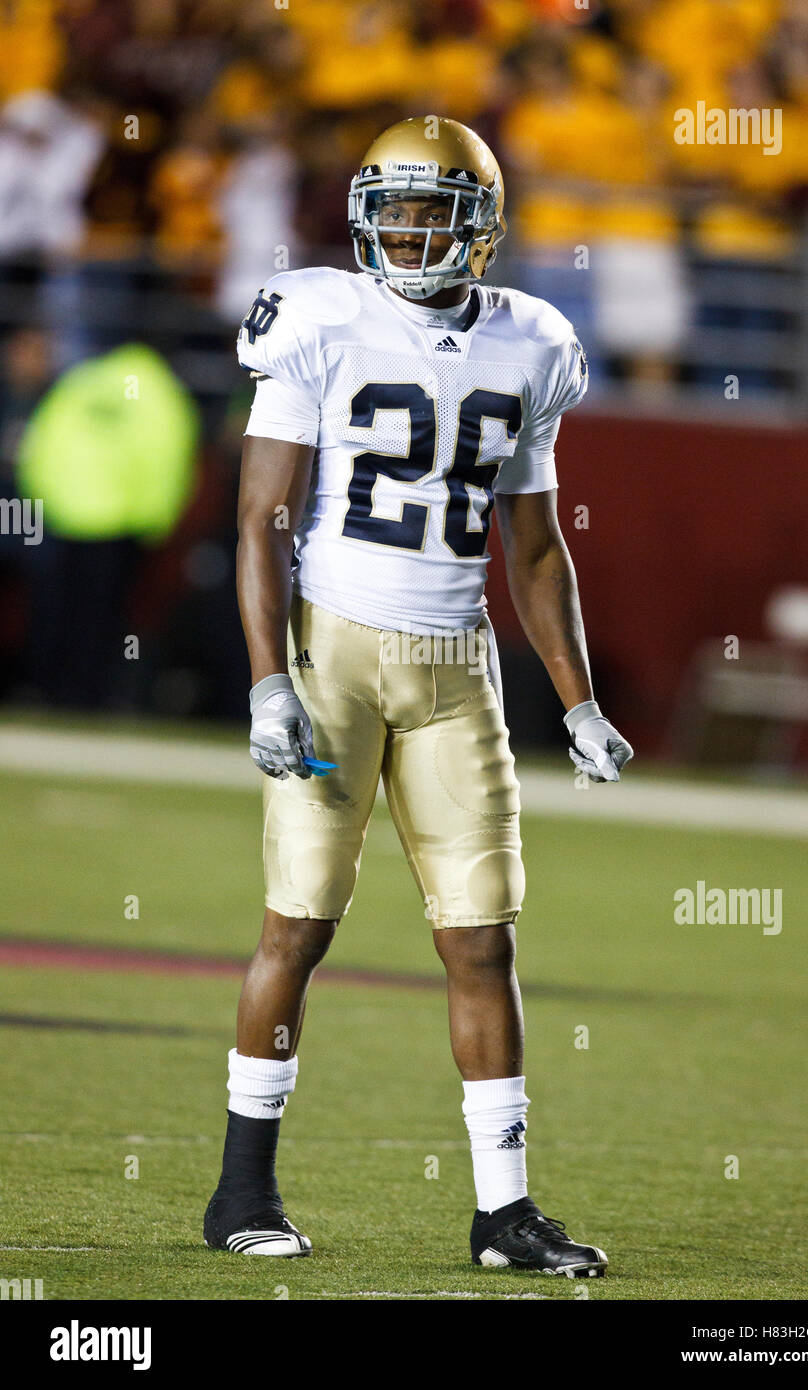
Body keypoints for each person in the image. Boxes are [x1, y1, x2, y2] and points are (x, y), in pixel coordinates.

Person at [204, 117, 633, 1276]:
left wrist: (578, 702)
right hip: (334, 656)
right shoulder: (318, 315)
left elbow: (535, 549)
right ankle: (240, 1187)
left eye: (430, 210)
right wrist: (266, 682)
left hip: (457, 670)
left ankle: (502, 1214)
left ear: (479, 227)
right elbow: (259, 517)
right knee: (297, 923)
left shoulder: (535, 339)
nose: (405, 229)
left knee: (481, 940)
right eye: (390, 208)